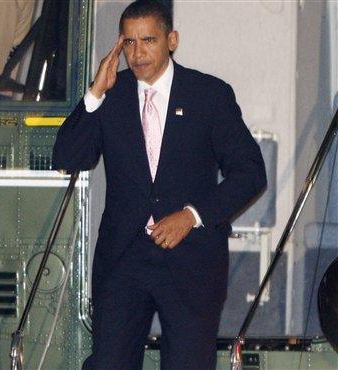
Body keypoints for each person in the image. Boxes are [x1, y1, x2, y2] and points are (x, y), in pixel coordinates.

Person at [52, 1, 267, 369]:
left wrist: (192, 215)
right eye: (129, 43)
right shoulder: (111, 99)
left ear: (172, 40)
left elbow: (250, 173)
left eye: (148, 40)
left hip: (192, 261)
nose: (138, 53)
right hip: (123, 262)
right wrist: (94, 92)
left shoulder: (209, 95)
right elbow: (68, 158)